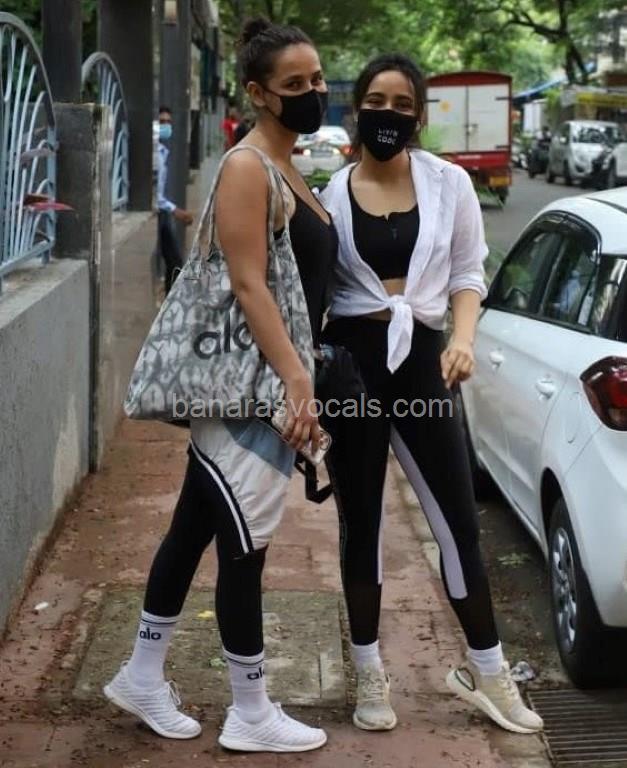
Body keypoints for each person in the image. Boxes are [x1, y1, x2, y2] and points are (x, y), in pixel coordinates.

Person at [104, 17, 337, 754]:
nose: (312, 92)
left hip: (260, 385)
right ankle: (250, 710)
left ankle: (143, 674)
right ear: (258, 93)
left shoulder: (288, 166)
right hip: (247, 390)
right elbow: (246, 283)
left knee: (196, 528)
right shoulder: (247, 166)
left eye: (316, 79)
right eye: (294, 84)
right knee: (244, 543)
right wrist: (296, 380)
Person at [320, 54, 544, 736]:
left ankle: (487, 671)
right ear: (357, 109)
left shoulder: (449, 184)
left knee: (457, 524)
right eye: (375, 101)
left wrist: (463, 340)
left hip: (424, 365)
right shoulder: (331, 194)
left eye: (401, 103)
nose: (387, 113)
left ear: (418, 115)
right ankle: (367, 670)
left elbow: (468, 274)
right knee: (362, 523)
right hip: (354, 369)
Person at [157, 106, 194, 294]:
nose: (166, 126)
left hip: (161, 213)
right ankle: (170, 303)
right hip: (159, 212)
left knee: (174, 262)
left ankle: (169, 301)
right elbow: (155, 194)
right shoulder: (155, 154)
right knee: (175, 262)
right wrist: (175, 211)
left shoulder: (162, 151)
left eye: (168, 122)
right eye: (162, 122)